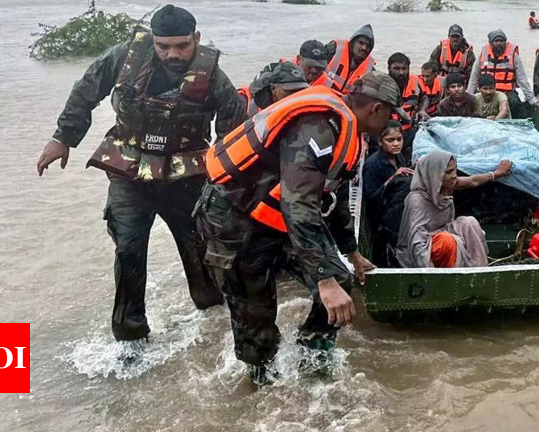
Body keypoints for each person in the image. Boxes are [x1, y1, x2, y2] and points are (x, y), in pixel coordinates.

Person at [35, 4, 244, 346]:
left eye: (181, 46)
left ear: (196, 39)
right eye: (164, 46)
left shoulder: (213, 76)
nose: (172, 54)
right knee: (129, 250)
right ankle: (130, 338)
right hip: (129, 174)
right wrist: (63, 138)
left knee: (201, 252)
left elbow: (232, 135)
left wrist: (233, 190)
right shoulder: (126, 57)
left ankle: (212, 322)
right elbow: (87, 88)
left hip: (185, 180)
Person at [195, 73, 397, 385]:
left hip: (279, 219)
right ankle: (260, 382)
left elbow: (334, 194)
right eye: (390, 114)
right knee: (257, 322)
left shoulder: (349, 133)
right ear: (376, 109)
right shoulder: (316, 128)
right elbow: (298, 204)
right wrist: (323, 279)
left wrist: (351, 253)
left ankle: (312, 355)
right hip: (235, 223)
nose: (391, 122)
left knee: (341, 278)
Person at [397, 149, 512, 268]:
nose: (454, 176)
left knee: (469, 223)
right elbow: (417, 244)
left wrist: (497, 173)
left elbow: (473, 181)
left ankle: (478, 270)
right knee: (447, 241)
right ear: (436, 175)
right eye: (449, 172)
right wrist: (429, 278)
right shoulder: (417, 200)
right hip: (423, 249)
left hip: (442, 233)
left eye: (455, 170)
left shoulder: (445, 185)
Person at [362, 121, 414, 266]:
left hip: (400, 211)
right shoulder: (373, 165)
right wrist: (392, 179)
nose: (396, 144)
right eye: (390, 140)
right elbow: (370, 198)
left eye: (399, 139)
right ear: (380, 141)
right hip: (383, 222)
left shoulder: (399, 157)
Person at [467, 29, 539, 118]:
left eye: (501, 41)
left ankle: (515, 125)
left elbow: (523, 81)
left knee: (515, 103)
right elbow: (473, 80)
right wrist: (468, 97)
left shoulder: (514, 57)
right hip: (487, 91)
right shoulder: (482, 56)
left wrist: (532, 100)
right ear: (490, 43)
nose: (499, 43)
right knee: (474, 107)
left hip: (507, 92)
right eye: (496, 41)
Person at [239, 61, 309, 116]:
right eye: (290, 91)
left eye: (300, 90)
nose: (296, 96)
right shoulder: (244, 104)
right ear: (273, 89)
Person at [324, 24, 376, 94]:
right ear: (353, 42)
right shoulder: (333, 49)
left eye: (368, 46)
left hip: (344, 103)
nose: (364, 48)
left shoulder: (370, 69)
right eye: (361, 43)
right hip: (321, 94)